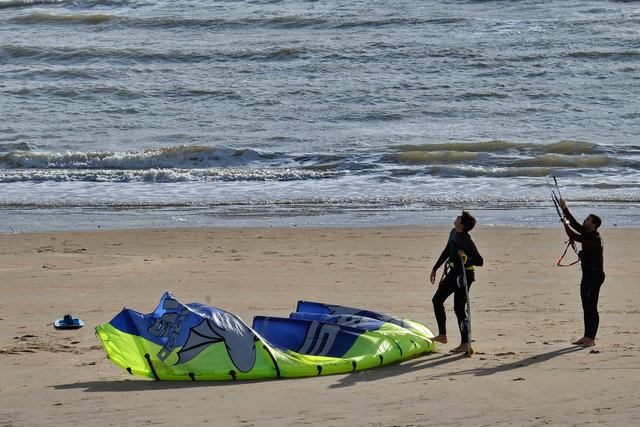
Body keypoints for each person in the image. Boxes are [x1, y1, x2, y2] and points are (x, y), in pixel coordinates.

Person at [429, 211, 483, 353]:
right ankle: (442, 335)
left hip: (465, 276)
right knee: (438, 300)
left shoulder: (466, 240)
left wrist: (466, 257)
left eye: (459, 217)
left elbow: (480, 261)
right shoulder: (453, 232)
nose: (456, 218)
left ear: (462, 224)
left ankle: (464, 343)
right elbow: (447, 251)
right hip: (453, 272)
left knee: (458, 307)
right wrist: (435, 268)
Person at [558, 198, 605, 348]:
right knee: (586, 306)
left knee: (592, 307)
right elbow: (575, 225)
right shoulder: (587, 232)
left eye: (587, 220)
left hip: (595, 276)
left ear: (593, 225)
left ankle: (592, 339)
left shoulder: (595, 238)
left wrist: (565, 225)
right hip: (587, 275)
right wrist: (564, 209)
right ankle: (586, 336)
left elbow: (574, 236)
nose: (584, 221)